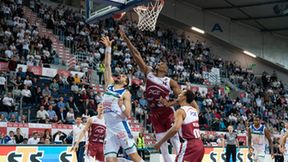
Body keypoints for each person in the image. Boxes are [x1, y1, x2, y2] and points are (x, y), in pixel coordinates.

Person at [120, 28, 181, 162]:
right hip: (154, 113)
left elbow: (183, 97)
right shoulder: (149, 73)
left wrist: (171, 103)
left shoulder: (170, 81)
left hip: (167, 112)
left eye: (161, 63)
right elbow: (136, 55)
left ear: (165, 69)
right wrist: (126, 39)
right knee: (163, 147)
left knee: (176, 142)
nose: (158, 63)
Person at [101, 36, 144, 162]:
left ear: (126, 82)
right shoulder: (109, 85)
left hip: (120, 126)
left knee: (134, 156)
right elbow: (107, 65)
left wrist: (121, 105)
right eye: (120, 75)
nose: (120, 75)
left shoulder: (126, 93)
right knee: (109, 160)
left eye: (124, 76)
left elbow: (128, 114)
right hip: (109, 128)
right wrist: (108, 48)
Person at [154, 90, 204, 162]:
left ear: (184, 97)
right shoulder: (195, 110)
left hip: (189, 145)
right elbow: (195, 104)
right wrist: (188, 96)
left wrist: (160, 143)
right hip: (200, 145)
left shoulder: (180, 111)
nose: (178, 94)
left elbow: (175, 129)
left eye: (181, 94)